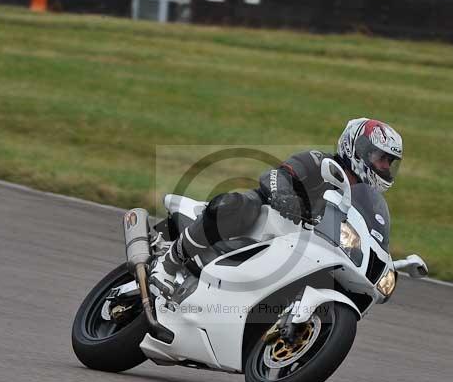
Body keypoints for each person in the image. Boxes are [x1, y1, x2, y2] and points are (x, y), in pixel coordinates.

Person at [149, 117, 404, 296]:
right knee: (239, 206)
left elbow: (365, 233)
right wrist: (283, 195)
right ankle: (169, 263)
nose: (385, 167)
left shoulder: (364, 199)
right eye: (381, 158)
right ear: (358, 149)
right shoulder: (320, 162)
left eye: (390, 162)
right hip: (270, 220)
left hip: (306, 249)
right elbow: (275, 175)